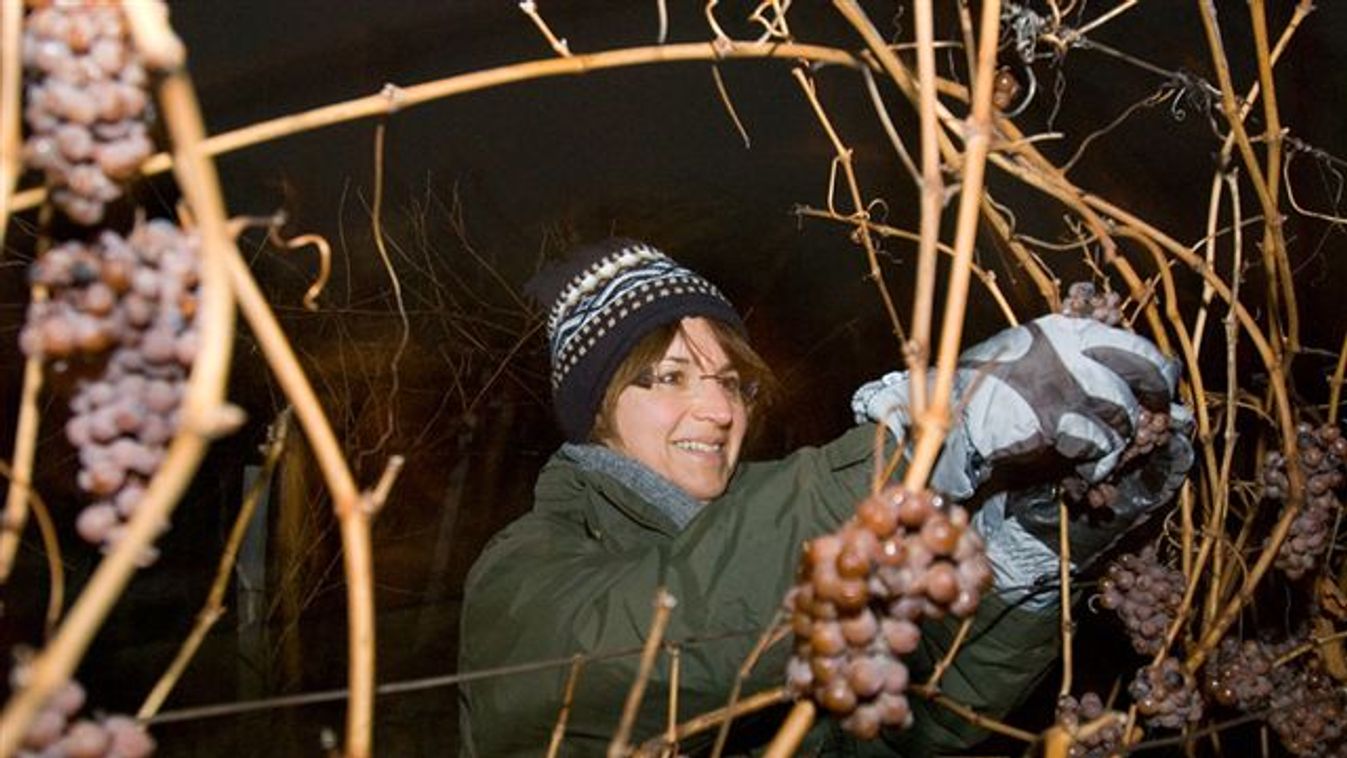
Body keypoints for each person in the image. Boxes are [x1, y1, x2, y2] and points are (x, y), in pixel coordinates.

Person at [458, 238, 1192, 756]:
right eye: (672, 377)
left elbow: (906, 735)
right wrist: (918, 448)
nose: (719, 411)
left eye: (730, 381)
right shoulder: (524, 573)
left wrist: (1023, 560)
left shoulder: (765, 521)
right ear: (597, 410)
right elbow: (660, 635)